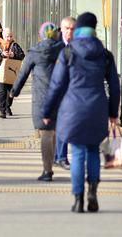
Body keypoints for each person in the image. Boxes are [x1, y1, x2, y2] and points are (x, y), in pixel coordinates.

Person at [42, 12, 120, 213]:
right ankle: (93, 192)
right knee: (93, 150)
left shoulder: (68, 53)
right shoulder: (105, 55)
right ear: (94, 29)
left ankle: (78, 199)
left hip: (72, 109)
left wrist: (48, 110)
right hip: (97, 109)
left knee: (77, 153)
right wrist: (113, 113)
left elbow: (56, 85)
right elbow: (114, 86)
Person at [10, 22, 63, 181]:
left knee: (46, 133)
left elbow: (23, 73)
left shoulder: (35, 51)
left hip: (42, 97)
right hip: (61, 96)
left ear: (41, 35)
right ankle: (53, 160)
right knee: (53, 131)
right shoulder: (63, 50)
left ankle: (47, 170)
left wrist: (14, 91)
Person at [53, 16, 76, 170]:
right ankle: (60, 157)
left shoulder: (78, 45)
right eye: (67, 28)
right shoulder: (55, 46)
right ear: (61, 29)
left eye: (72, 28)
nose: (69, 31)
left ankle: (59, 156)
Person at [0, 28, 24, 118]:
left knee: (10, 92)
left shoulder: (15, 46)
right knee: (1, 92)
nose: (9, 38)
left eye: (10, 36)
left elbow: (22, 55)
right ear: (3, 36)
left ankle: (7, 107)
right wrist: (2, 55)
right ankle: (2, 111)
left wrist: (13, 55)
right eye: (7, 36)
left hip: (11, 72)